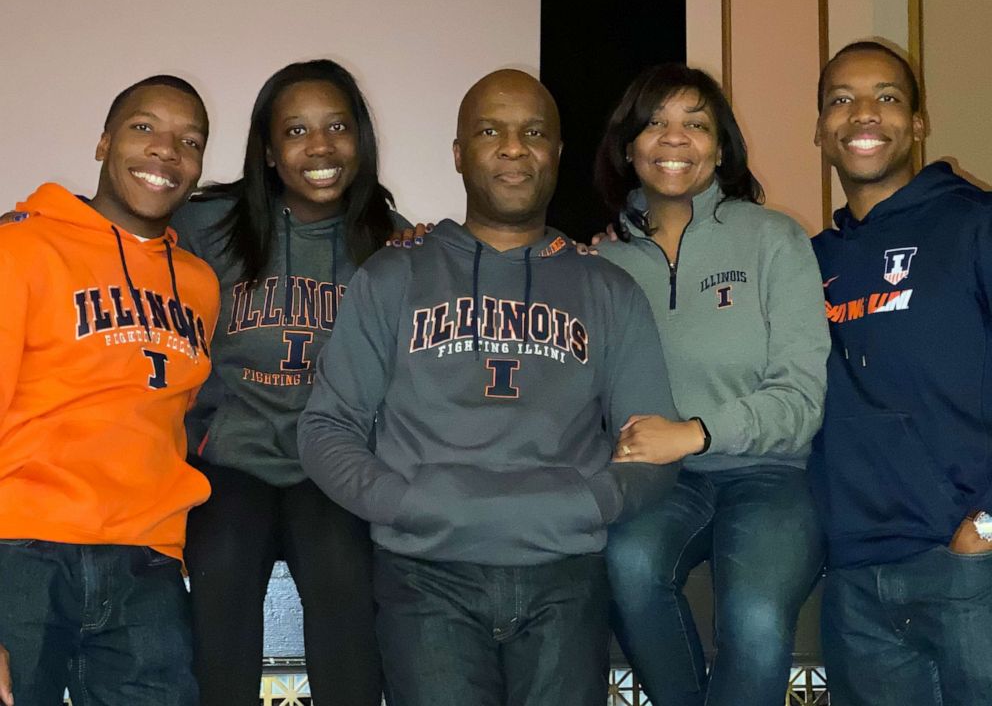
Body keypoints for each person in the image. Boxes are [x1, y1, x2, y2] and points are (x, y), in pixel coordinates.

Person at [297, 69, 694, 706]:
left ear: (557, 154)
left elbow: (652, 441)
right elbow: (325, 428)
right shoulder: (395, 274)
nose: (514, 147)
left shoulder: (607, 288)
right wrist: (404, 503)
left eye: (534, 132)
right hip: (425, 578)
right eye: (490, 131)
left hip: (565, 575)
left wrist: (590, 503)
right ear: (459, 154)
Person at [169, 59, 409, 706]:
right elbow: (116, 233)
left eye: (336, 126)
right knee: (219, 560)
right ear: (270, 152)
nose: (321, 146)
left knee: (342, 567)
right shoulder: (205, 227)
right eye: (296, 131)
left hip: (329, 463)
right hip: (232, 459)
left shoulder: (393, 248)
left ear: (359, 138)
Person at [592, 63, 829, 706]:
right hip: (662, 484)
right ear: (629, 145)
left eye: (694, 124)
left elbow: (804, 397)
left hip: (770, 473)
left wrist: (694, 434)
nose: (674, 139)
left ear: (720, 147)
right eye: (656, 123)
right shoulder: (603, 263)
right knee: (626, 566)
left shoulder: (774, 239)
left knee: (754, 618)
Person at [0, 76, 219, 705]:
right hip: (20, 550)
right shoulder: (20, 249)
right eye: (144, 128)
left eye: (190, 140)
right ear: (103, 143)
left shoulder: (200, 286)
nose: (166, 151)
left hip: (144, 561)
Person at [811, 40, 992, 706]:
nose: (863, 114)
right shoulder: (806, 264)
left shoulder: (975, 225)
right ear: (820, 130)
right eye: (840, 100)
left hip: (970, 568)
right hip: (856, 583)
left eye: (886, 97)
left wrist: (988, 526)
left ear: (917, 123)